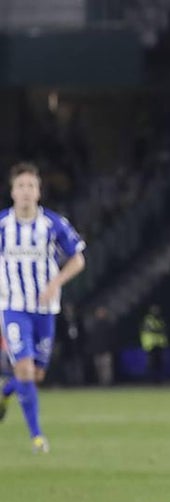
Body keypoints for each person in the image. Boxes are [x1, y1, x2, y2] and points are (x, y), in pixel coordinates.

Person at [0, 162, 86, 452]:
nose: (26, 192)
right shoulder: (2, 226)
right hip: (13, 307)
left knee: (35, 375)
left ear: (38, 192)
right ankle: (37, 436)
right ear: (12, 192)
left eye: (31, 187)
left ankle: (5, 390)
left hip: (45, 310)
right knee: (23, 367)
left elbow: (78, 259)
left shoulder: (52, 224)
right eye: (21, 186)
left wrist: (56, 283)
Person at [85, 305, 115, 387]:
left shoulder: (108, 324)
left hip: (106, 350)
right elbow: (92, 339)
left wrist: (110, 348)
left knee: (106, 369)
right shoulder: (94, 325)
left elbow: (111, 338)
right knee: (98, 368)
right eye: (99, 312)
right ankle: (101, 383)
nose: (100, 314)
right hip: (97, 350)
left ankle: (107, 384)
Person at [139, 305, 167, 384]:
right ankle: (151, 380)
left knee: (160, 364)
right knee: (151, 364)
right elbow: (151, 330)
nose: (156, 312)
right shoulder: (148, 320)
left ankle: (159, 380)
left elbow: (164, 330)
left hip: (159, 345)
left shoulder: (160, 320)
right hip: (151, 345)